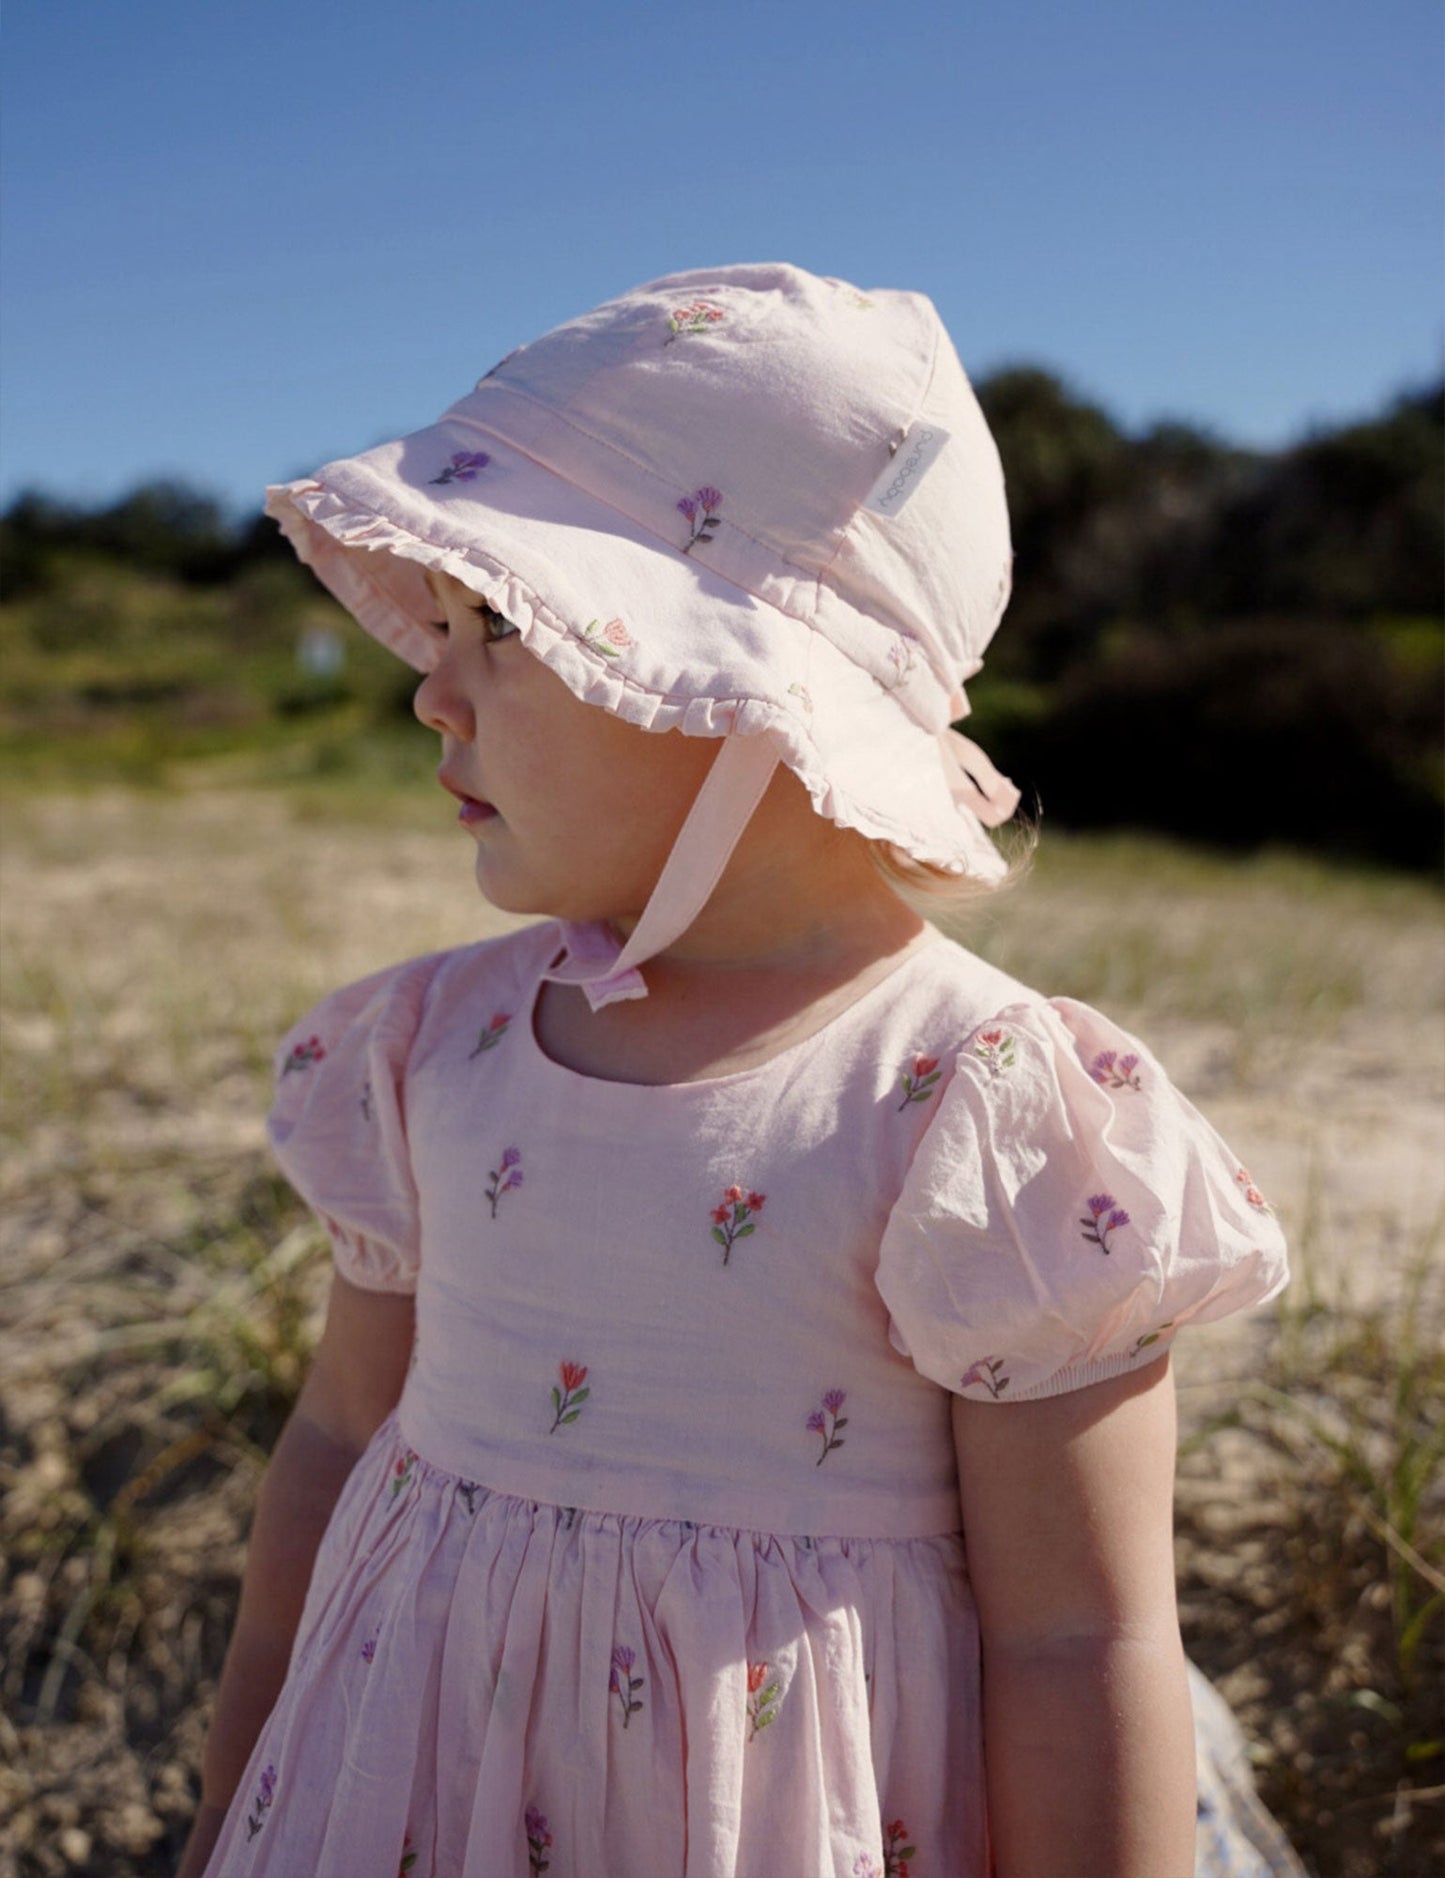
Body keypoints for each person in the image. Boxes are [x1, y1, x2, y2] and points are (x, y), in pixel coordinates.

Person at [180, 264, 1304, 1878]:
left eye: (503, 626)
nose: (430, 686)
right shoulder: (425, 1047)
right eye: (441, 625)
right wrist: (232, 1811)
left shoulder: (974, 1102)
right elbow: (338, 1448)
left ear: (744, 700)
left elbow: (1076, 1638)